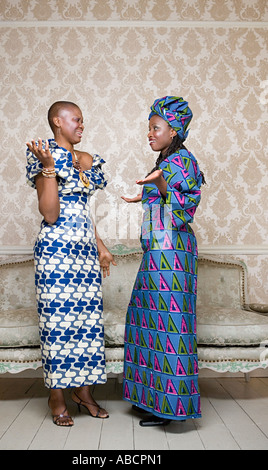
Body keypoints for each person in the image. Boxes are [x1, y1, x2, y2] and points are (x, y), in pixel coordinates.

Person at [26, 101, 116, 426]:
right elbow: (50, 213)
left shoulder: (88, 160)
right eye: (76, 119)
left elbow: (85, 211)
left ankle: (85, 392)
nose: (82, 125)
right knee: (57, 325)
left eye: (82, 120)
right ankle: (57, 397)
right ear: (57, 121)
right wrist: (48, 166)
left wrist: (101, 245)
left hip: (85, 252)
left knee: (88, 324)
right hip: (55, 252)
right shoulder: (41, 154)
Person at [122, 96, 205, 426]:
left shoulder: (183, 162)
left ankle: (172, 409)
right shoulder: (168, 161)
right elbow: (159, 199)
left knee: (170, 329)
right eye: (149, 127)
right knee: (147, 323)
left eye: (155, 128)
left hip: (173, 255)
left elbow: (184, 209)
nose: (149, 133)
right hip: (158, 252)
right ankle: (151, 399)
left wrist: (161, 185)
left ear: (174, 131)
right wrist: (144, 193)